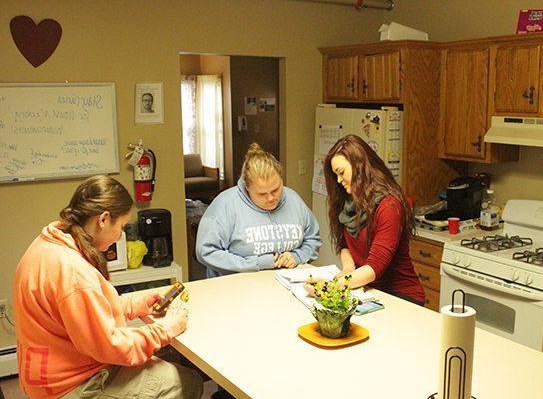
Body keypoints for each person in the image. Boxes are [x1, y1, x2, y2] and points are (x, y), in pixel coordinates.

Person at [12, 175, 203, 399]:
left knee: (157, 362)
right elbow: (111, 347)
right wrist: (167, 329)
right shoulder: (74, 273)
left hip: (46, 373)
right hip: (69, 386)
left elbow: (85, 312)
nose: (120, 235)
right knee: (187, 382)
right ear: (103, 220)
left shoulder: (50, 243)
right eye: (121, 226)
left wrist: (136, 304)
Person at [307, 134, 425, 305]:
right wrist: (348, 269)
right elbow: (345, 246)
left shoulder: (389, 206)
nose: (339, 181)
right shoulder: (349, 202)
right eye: (336, 175)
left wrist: (330, 286)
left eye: (341, 173)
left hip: (400, 297)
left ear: (360, 165)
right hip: (367, 291)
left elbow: (373, 269)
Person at [196, 142, 321, 278]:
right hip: (236, 288)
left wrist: (297, 256)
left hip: (286, 284)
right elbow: (206, 252)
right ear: (247, 187)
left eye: (276, 189)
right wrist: (257, 263)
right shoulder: (225, 205)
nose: (271, 198)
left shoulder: (293, 199)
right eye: (262, 194)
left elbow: (313, 238)